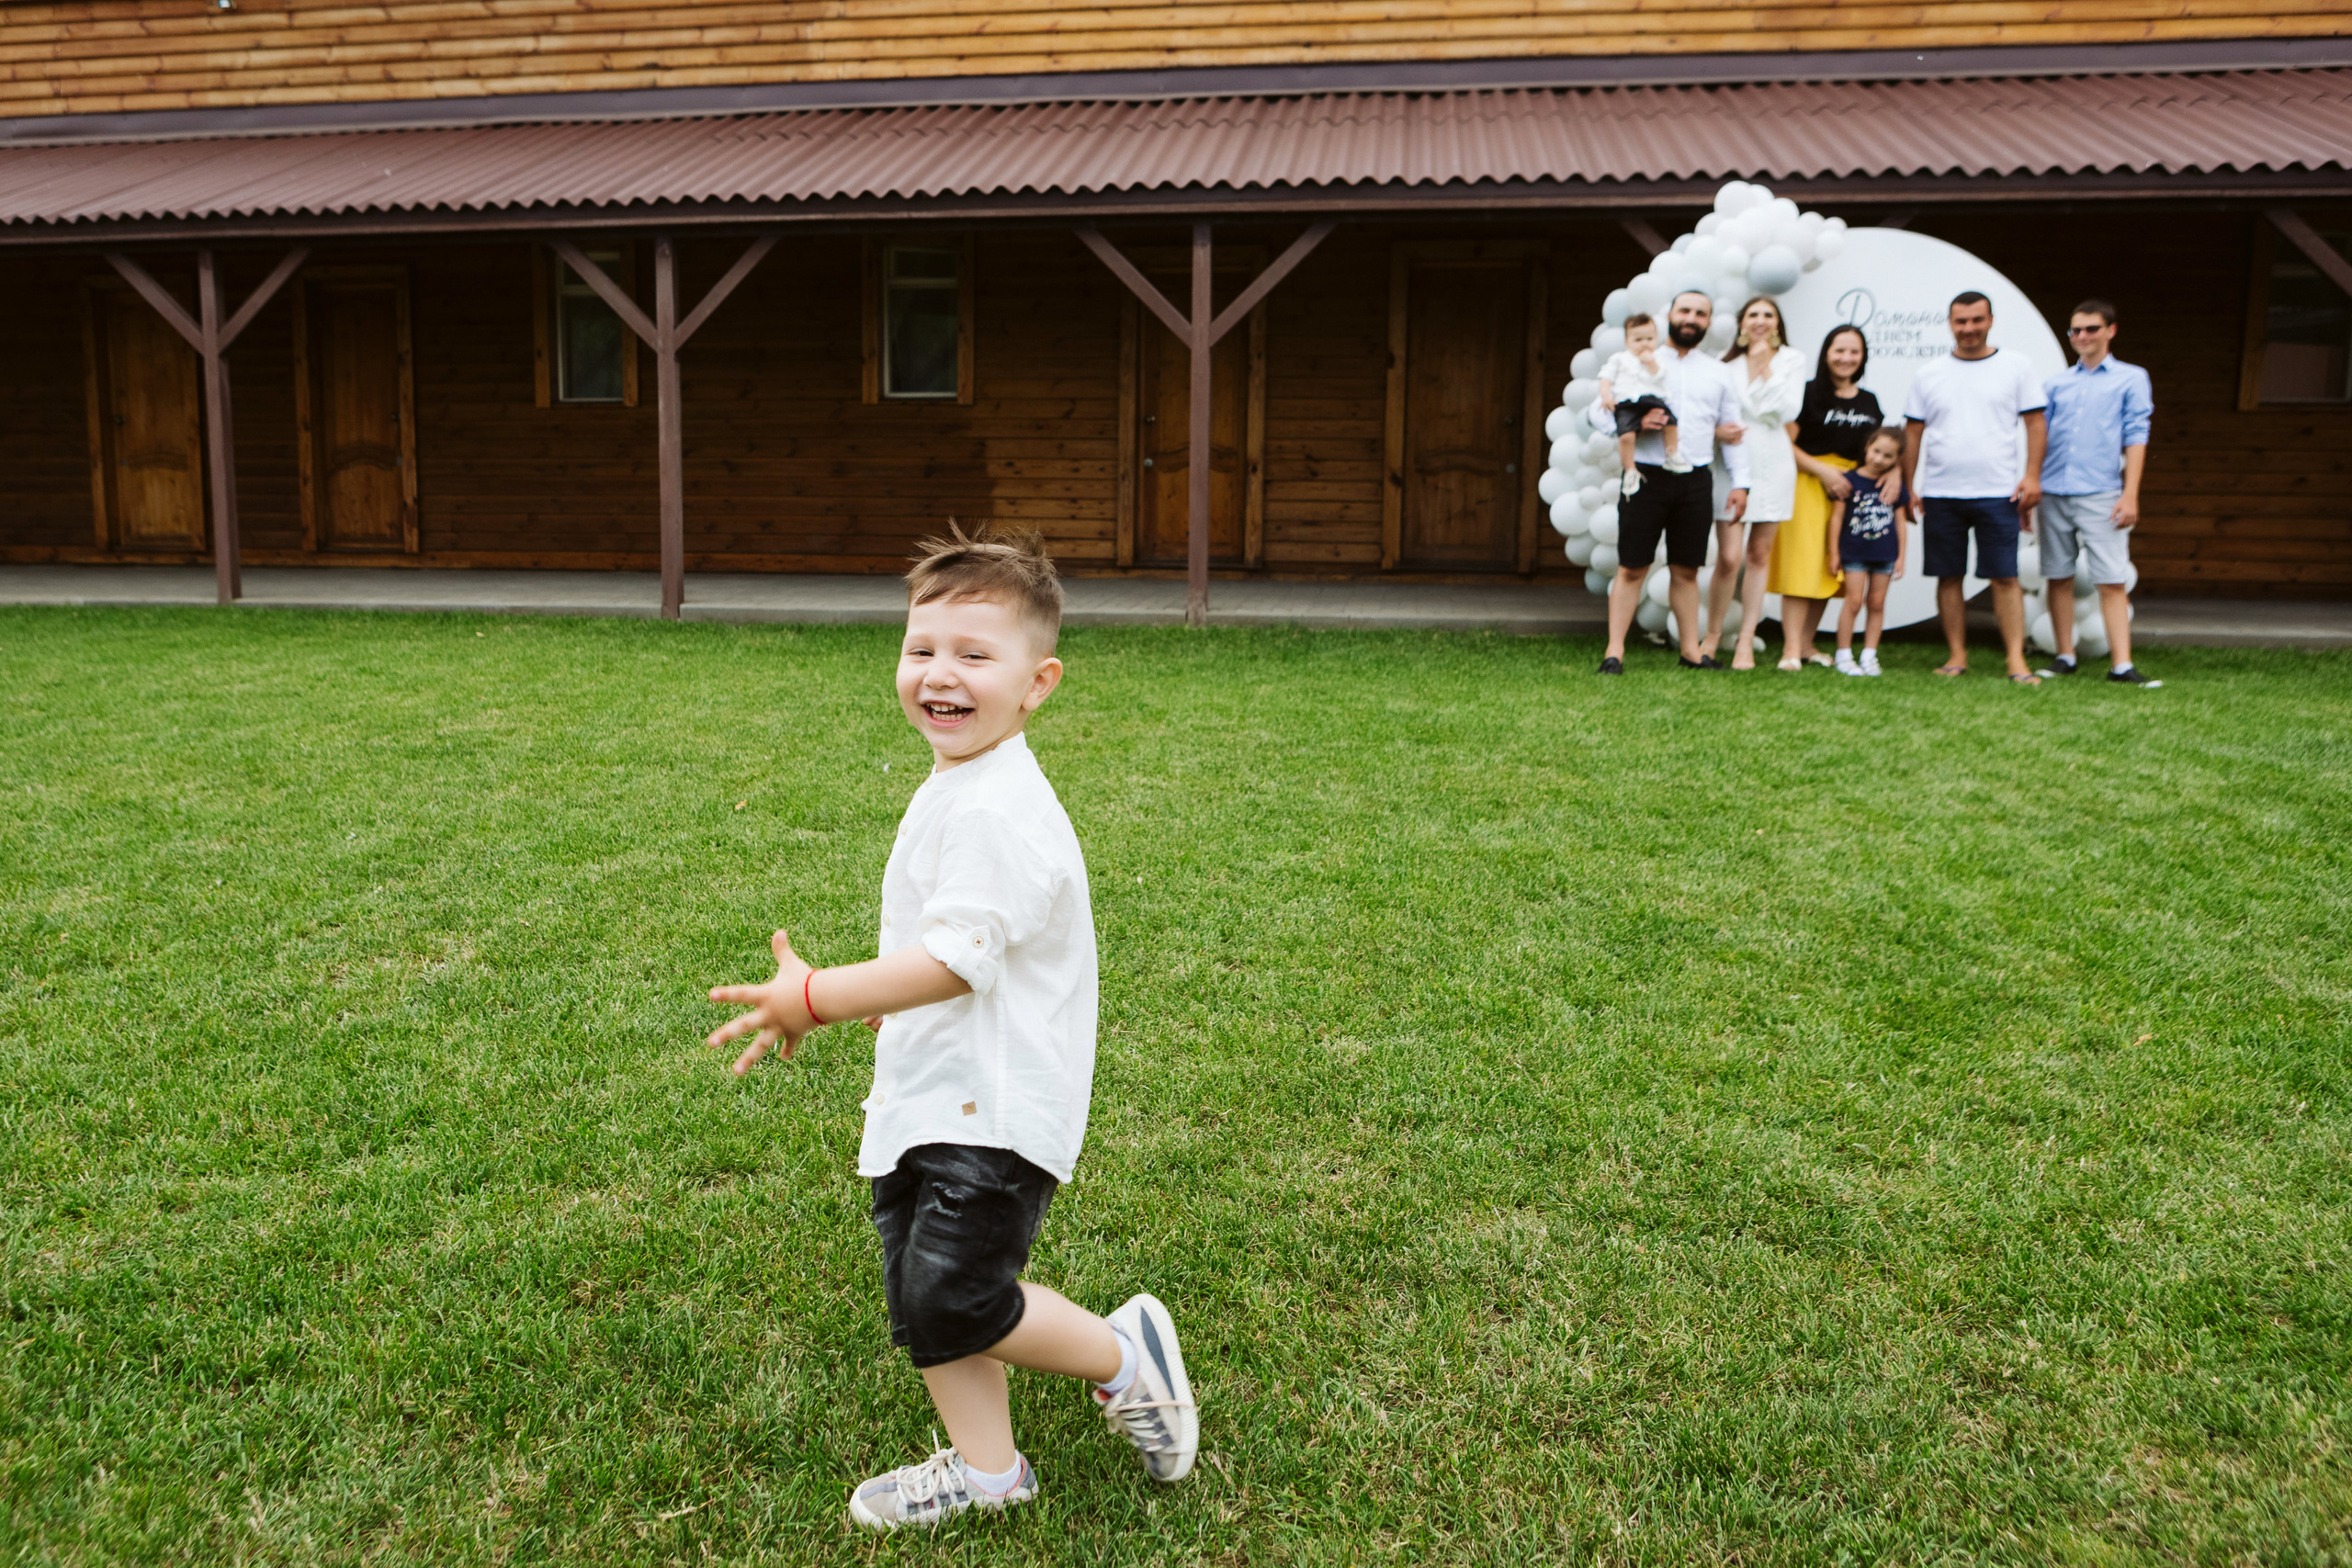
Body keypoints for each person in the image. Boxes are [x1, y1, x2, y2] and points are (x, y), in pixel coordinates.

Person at [702, 525, 1197, 1530]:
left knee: (956, 1297)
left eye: (976, 655)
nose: (941, 673)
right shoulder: (962, 785)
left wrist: (814, 997)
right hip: (936, 1091)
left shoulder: (999, 807)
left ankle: (1121, 1356)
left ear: (1038, 682)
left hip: (995, 1105)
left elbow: (955, 959)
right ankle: (988, 1472)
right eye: (923, 648)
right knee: (922, 1299)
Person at [1588, 290, 1751, 672]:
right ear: (1670, 316)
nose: (1691, 318)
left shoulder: (1718, 373)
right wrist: (1634, 423)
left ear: (1708, 322)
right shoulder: (1636, 360)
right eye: (1685, 311)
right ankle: (1614, 652)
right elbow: (1598, 411)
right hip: (1645, 475)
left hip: (1694, 478)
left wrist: (1742, 483)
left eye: (1700, 313)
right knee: (1632, 567)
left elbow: (1733, 432)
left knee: (1687, 569)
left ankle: (1691, 653)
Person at [1900, 291, 2049, 684]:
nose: (1968, 329)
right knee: (1948, 577)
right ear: (1950, 324)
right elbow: (1913, 433)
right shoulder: (1929, 373)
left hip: (1999, 491)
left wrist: (2032, 476)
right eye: (1960, 321)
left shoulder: (2016, 366)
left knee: (2005, 577)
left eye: (1976, 320)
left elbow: (2036, 424)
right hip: (1941, 492)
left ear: (1990, 320)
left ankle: (2016, 660)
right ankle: (1956, 656)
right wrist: (1907, 486)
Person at [1759, 324, 1902, 672]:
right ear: (1826, 354)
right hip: (1810, 485)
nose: (1846, 358)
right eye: (1839, 350)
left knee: (1828, 570)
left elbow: (1883, 448)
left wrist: (1895, 472)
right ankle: (1790, 649)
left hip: (1851, 494)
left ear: (1863, 357)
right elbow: (1784, 442)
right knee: (1802, 567)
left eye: (1854, 352)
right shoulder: (1807, 394)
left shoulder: (1869, 401)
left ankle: (1807, 645)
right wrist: (1822, 471)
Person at [2037, 298, 2159, 685]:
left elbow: (2137, 436)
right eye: (2076, 330)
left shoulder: (2131, 378)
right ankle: (2064, 656)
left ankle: (2121, 664)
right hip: (2053, 491)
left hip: (2102, 493)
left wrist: (2130, 493)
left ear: (2111, 330)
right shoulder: (2056, 383)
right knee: (2057, 575)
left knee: (2111, 579)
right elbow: (2040, 437)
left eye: (2091, 328)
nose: (2082, 336)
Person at [1826, 425, 1910, 675]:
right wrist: (1834, 553)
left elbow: (1900, 523)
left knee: (1877, 602)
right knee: (1853, 601)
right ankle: (1843, 655)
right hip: (1854, 553)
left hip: (1884, 554)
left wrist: (1901, 557)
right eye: (1876, 451)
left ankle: (1869, 656)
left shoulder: (1893, 486)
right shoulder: (1849, 481)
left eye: (1887, 456)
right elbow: (1836, 518)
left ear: (1896, 460)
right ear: (1867, 447)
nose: (1878, 459)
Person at [1598, 313, 1690, 492]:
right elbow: (1605, 378)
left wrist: (1651, 363)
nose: (1644, 343)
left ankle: (1672, 454)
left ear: (1656, 339)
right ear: (1627, 342)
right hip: (1626, 403)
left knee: (1671, 422)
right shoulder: (1619, 359)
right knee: (1626, 435)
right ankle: (1630, 470)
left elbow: (1660, 375)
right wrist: (1605, 396)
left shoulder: (1658, 358)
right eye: (1638, 339)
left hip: (1651, 399)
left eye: (1649, 338)